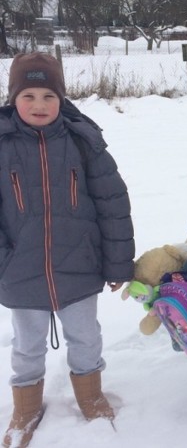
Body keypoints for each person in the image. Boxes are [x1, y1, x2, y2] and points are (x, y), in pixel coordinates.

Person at [0, 52, 135, 448]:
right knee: (26, 345)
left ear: (61, 98)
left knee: (85, 336)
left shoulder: (83, 141)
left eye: (48, 96)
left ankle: (90, 394)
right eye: (29, 96)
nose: (39, 105)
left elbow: (113, 204)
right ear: (13, 99)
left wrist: (117, 265)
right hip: (20, 271)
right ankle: (25, 406)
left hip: (79, 266)